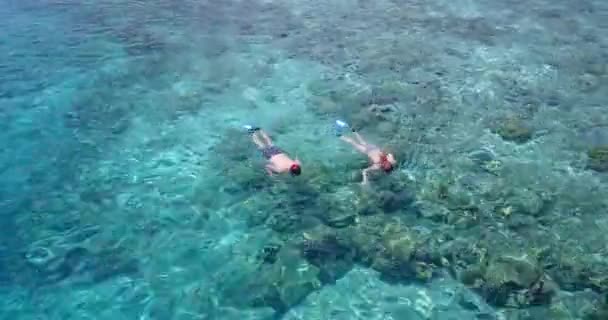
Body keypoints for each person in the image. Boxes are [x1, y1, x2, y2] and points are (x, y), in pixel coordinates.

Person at [335, 120, 396, 185]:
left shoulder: (377, 166)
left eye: (385, 166)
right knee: (362, 142)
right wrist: (392, 159)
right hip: (373, 147)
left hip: (367, 150)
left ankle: (339, 135)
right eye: (388, 165)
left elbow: (365, 170)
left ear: (383, 168)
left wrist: (365, 180)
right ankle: (351, 129)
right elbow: (390, 155)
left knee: (352, 142)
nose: (386, 164)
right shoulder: (390, 160)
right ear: (390, 165)